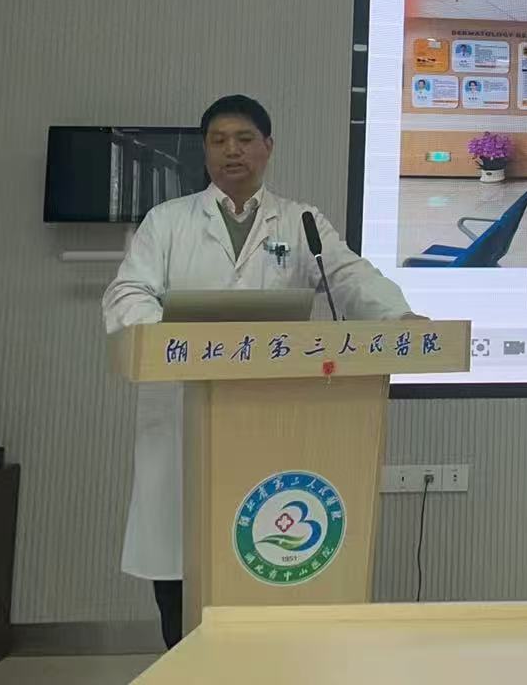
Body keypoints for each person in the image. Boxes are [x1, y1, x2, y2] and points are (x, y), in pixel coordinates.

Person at [102, 95, 416, 649]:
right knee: (183, 571)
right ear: (205, 152)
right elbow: (129, 292)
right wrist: (165, 335)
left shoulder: (301, 222)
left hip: (277, 422)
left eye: (245, 139)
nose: (232, 151)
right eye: (219, 140)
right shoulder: (167, 221)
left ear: (268, 147)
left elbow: (350, 277)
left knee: (268, 559)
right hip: (186, 413)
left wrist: (399, 317)